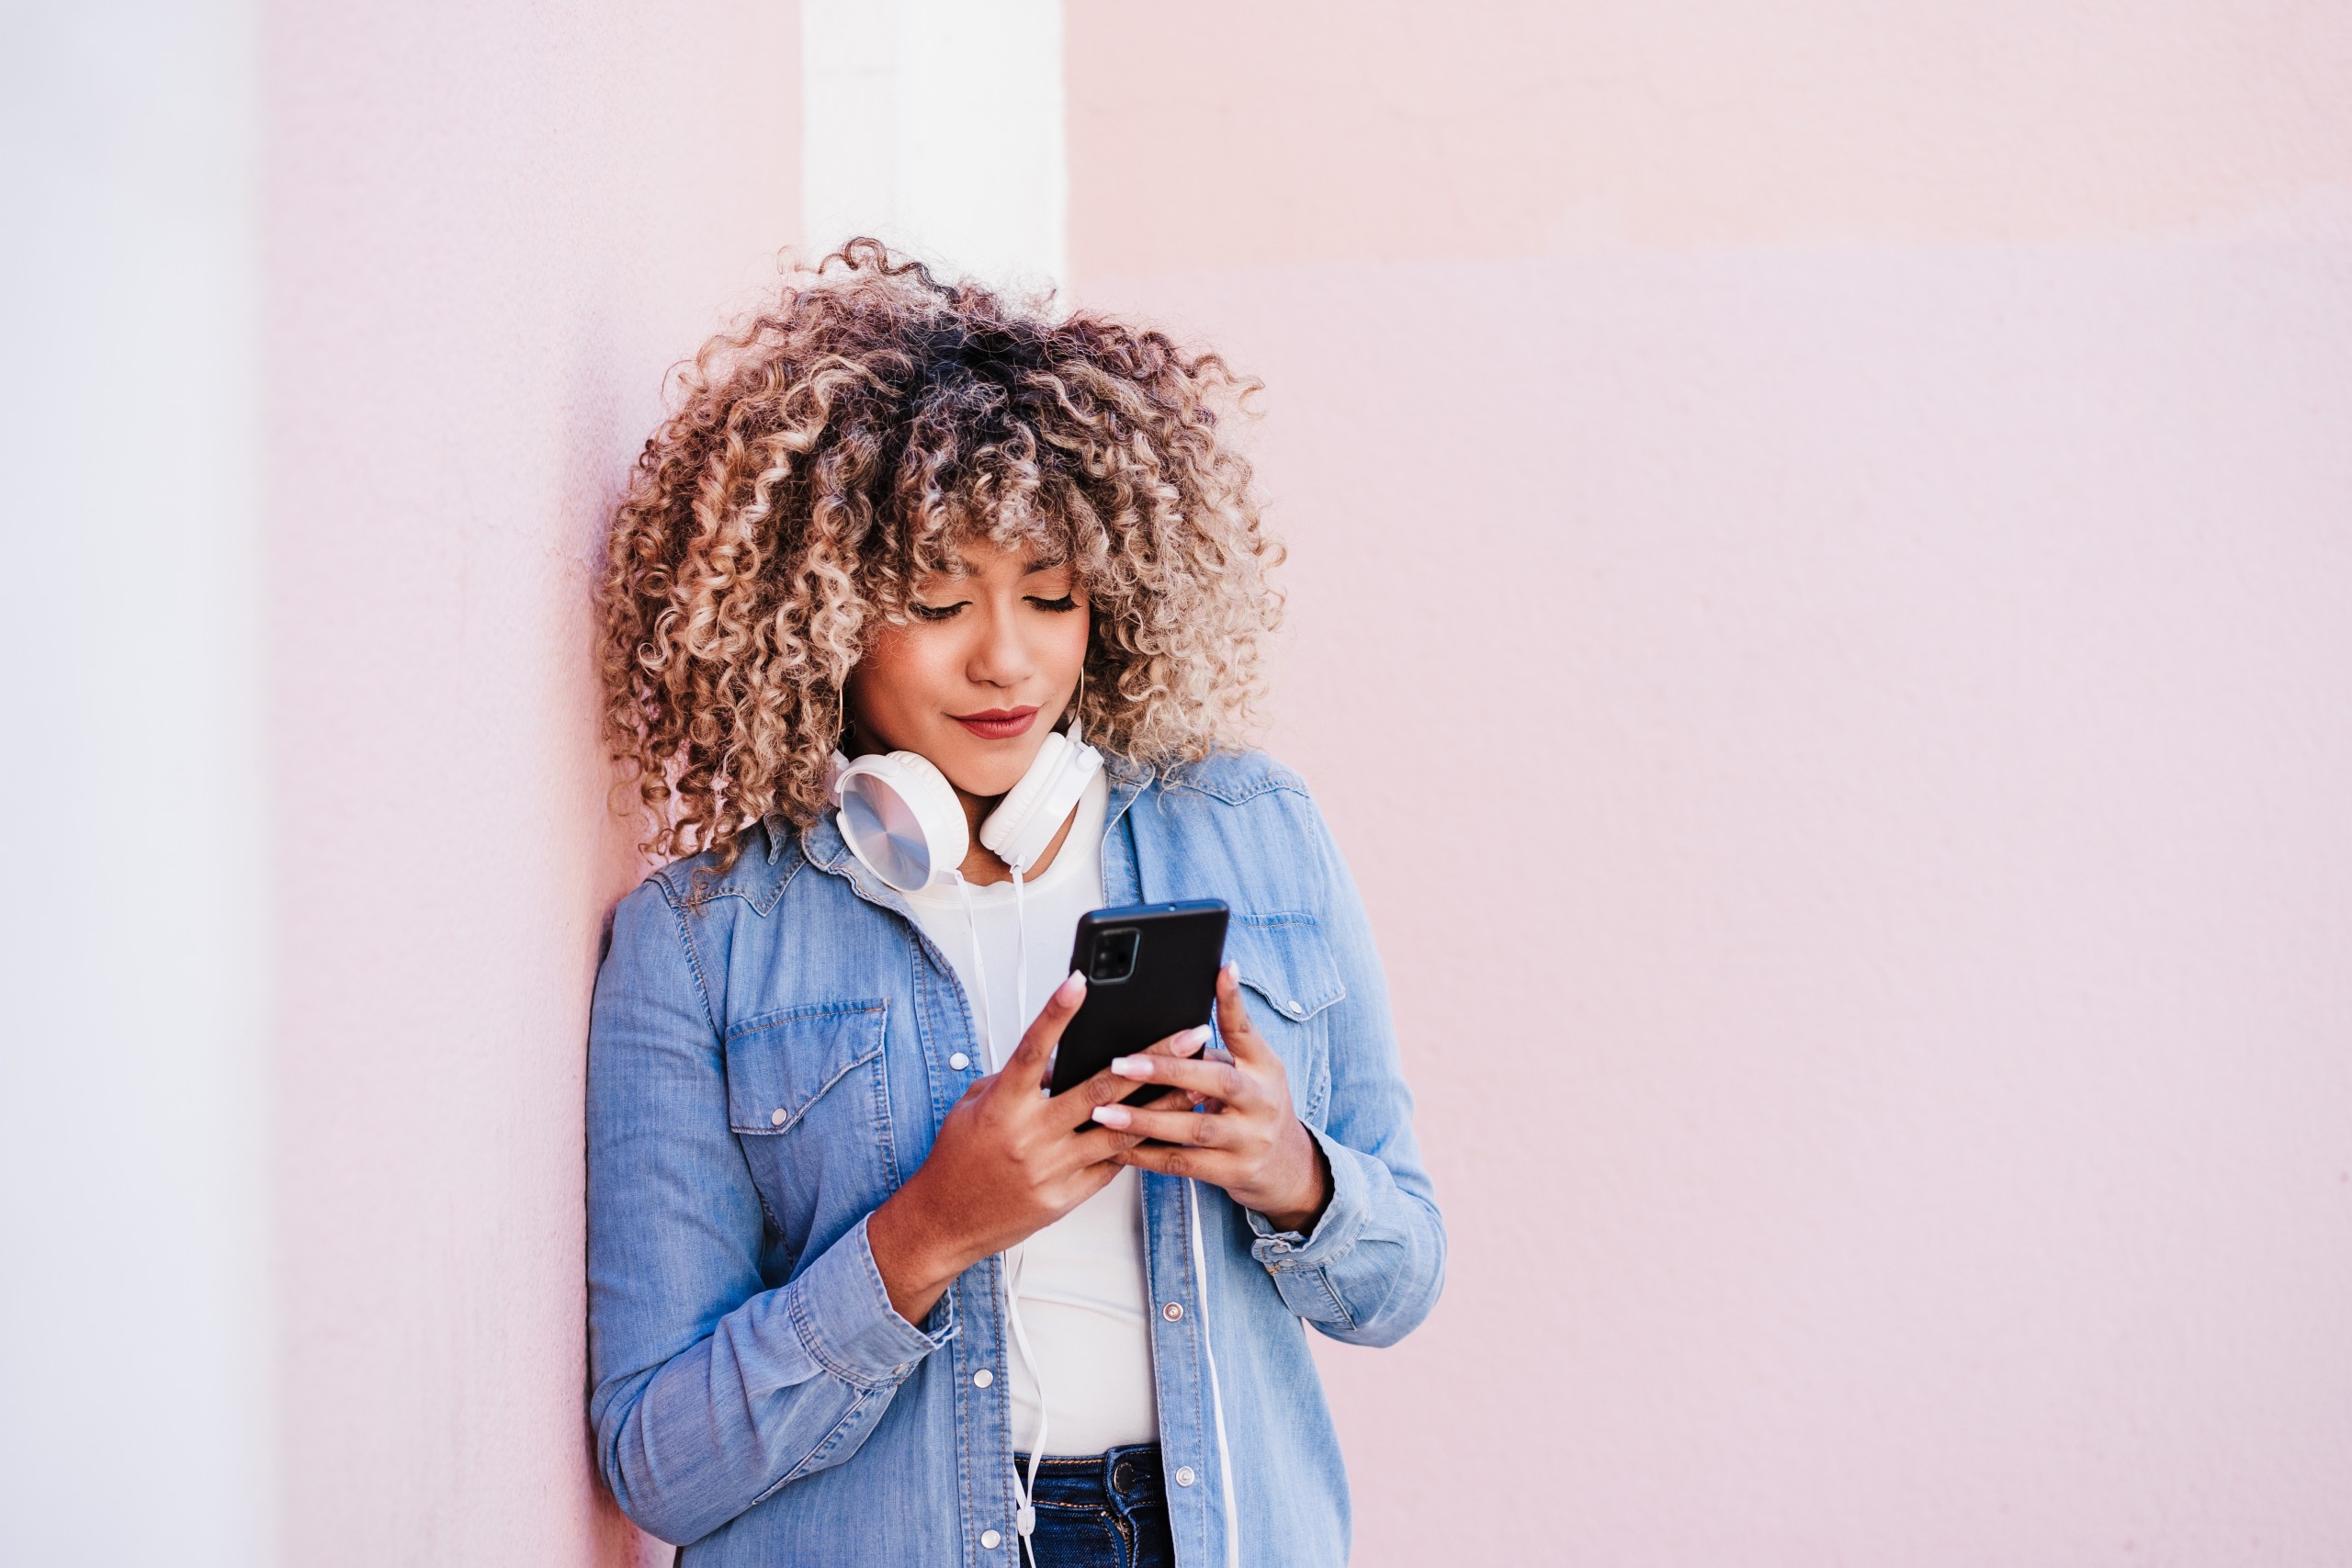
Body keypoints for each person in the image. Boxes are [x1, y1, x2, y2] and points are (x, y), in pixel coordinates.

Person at [586, 240, 1444, 1568]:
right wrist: (928, 1233)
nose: (1006, 658)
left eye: (1050, 595)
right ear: (812, 617)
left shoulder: (1255, 834)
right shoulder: (699, 945)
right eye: (936, 602)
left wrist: (1294, 1175)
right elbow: (659, 1462)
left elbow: (1402, 1281)